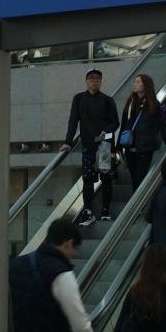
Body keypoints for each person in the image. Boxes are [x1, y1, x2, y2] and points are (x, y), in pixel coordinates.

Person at [61, 68, 120, 223]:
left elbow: (115, 122)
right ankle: (88, 211)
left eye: (98, 79)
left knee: (106, 178)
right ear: (86, 81)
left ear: (101, 82)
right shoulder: (79, 99)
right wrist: (68, 142)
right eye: (92, 78)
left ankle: (105, 211)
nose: (95, 81)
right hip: (87, 145)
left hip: (105, 146)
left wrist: (105, 131)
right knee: (87, 179)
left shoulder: (107, 100)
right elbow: (73, 121)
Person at [119, 73, 166, 188]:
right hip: (129, 147)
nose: (135, 84)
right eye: (135, 82)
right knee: (134, 179)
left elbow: (161, 123)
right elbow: (124, 125)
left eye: (138, 82)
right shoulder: (130, 102)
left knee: (140, 179)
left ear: (146, 85)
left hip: (145, 147)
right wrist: (118, 146)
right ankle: (136, 199)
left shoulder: (153, 104)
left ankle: (138, 199)